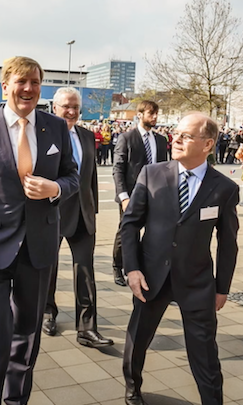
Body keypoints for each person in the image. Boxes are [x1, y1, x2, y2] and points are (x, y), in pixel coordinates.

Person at [0, 56, 79, 404]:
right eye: (21, 82)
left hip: (38, 246)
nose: (28, 89)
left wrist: (55, 189)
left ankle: (15, 401)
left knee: (27, 333)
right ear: (5, 86)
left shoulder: (55, 127)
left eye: (35, 82)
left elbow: (72, 176)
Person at [121, 113, 238, 405]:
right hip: (150, 276)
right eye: (177, 133)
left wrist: (222, 287)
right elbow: (130, 224)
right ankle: (132, 386)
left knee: (205, 354)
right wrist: (132, 269)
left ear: (208, 144)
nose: (176, 138)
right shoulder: (152, 173)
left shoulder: (224, 188)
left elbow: (228, 243)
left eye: (186, 136)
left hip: (197, 282)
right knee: (138, 339)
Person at [42, 87, 113, 348]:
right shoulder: (44, 134)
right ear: (55, 108)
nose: (71, 111)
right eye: (66, 107)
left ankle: (87, 328)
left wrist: (92, 208)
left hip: (83, 214)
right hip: (54, 212)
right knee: (49, 267)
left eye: (76, 107)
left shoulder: (85, 135)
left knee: (85, 270)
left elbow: (90, 175)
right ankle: (48, 312)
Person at [112, 100, 167, 286]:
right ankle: (118, 266)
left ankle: (146, 269)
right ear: (140, 115)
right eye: (151, 114)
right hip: (131, 196)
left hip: (156, 196)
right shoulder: (127, 138)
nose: (154, 117)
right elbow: (118, 169)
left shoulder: (160, 140)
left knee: (155, 233)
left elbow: (164, 169)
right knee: (127, 233)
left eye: (156, 114)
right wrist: (123, 197)